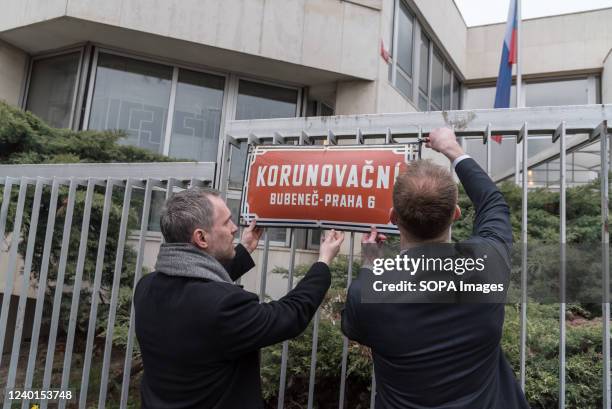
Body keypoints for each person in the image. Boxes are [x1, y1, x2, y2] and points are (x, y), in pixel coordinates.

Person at [341, 127, 529, 408]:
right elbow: (494, 205)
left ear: (393, 217)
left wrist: (370, 264)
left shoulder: (366, 292)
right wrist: (451, 149)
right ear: (455, 214)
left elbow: (356, 329)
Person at [134, 188, 344, 409]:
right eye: (226, 223)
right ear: (201, 237)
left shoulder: (146, 288)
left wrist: (244, 249)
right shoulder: (223, 307)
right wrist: (323, 261)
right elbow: (289, 316)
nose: (234, 228)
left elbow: (199, 284)